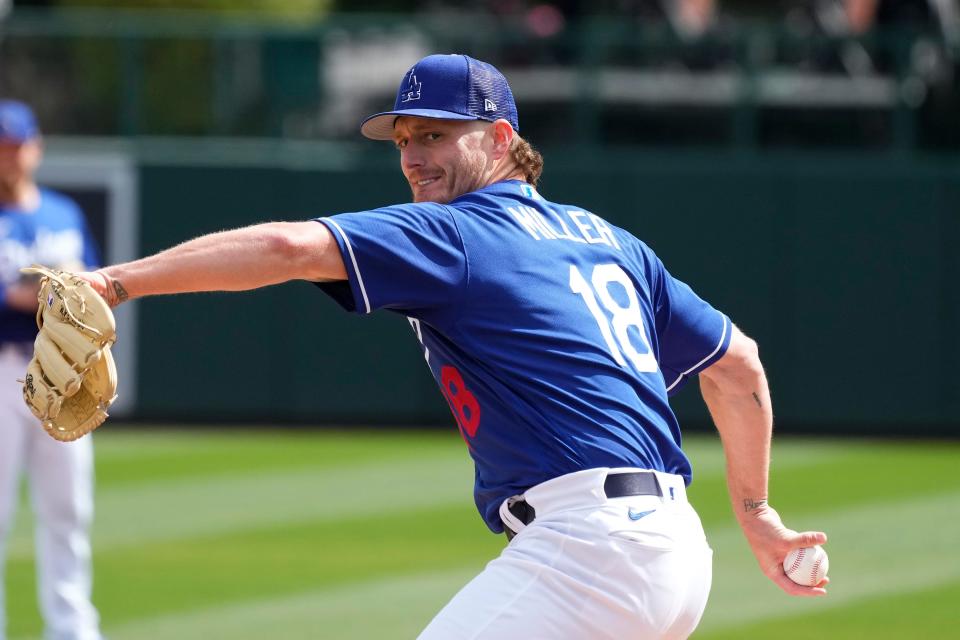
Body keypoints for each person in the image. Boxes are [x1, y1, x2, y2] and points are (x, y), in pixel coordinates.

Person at [77, 54, 827, 639]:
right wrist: (756, 511)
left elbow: (283, 247)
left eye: (434, 134)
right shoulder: (613, 242)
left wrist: (114, 282)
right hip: (676, 553)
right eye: (404, 139)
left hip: (590, 552)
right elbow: (738, 365)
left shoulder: (457, 232)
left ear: (501, 139)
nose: (413, 156)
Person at [0, 101, 104, 640]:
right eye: (3, 146)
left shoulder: (62, 213)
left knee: (69, 507)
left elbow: (91, 286)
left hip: (61, 372)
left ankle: (72, 629)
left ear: (36, 147)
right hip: (1, 373)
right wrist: (32, 294)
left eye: (19, 145)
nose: (12, 156)